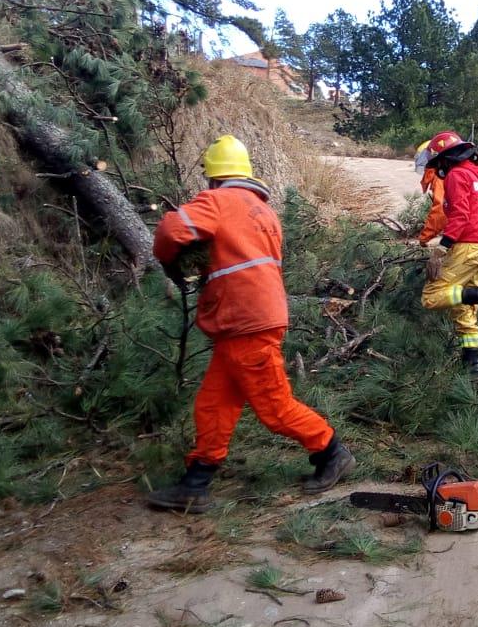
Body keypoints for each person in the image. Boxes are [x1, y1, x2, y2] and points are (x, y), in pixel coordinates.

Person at [147, 135, 355, 513]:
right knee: (214, 403)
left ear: (213, 178)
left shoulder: (218, 201)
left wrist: (169, 258)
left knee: (274, 407)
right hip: (251, 317)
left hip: (244, 320)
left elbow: (171, 233)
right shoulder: (263, 211)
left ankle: (331, 450)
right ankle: (196, 481)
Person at [419, 131, 478, 377]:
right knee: (463, 306)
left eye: (439, 163)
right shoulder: (472, 175)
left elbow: (460, 215)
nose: (439, 169)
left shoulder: (456, 176)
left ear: (445, 159)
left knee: (432, 296)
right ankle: (473, 364)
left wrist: (441, 248)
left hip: (467, 247)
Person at [412, 140, 446, 245]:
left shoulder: (440, 178)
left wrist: (424, 237)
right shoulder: (465, 173)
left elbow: (440, 211)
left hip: (466, 240)